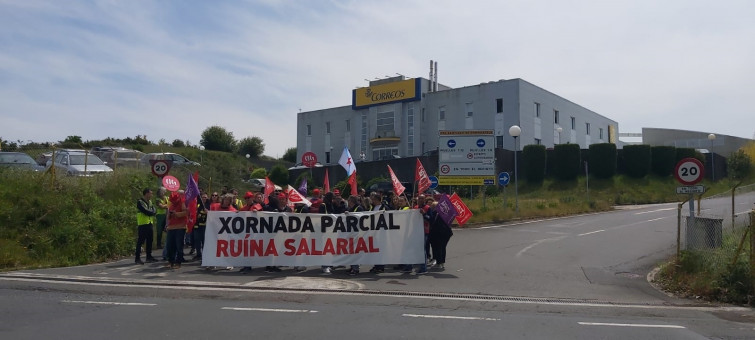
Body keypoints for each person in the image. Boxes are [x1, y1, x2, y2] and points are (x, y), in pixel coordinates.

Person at [427, 201, 453, 270]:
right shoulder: (444, 213)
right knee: (442, 248)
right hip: (445, 232)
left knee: (439, 247)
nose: (432, 207)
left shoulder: (436, 213)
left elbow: (431, 220)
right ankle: (441, 263)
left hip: (441, 233)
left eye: (433, 206)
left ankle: (439, 263)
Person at [135, 188, 158, 265]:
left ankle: (149, 256)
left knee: (150, 240)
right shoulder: (140, 202)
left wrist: (152, 212)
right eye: (151, 193)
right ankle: (137, 258)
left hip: (149, 223)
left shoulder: (150, 202)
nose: (151, 195)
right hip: (143, 224)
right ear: (146, 194)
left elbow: (154, 209)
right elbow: (145, 211)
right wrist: (152, 212)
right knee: (140, 241)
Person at [165, 192, 188, 269]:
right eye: (172, 200)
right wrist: (170, 215)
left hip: (180, 227)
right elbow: (168, 216)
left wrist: (177, 214)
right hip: (171, 227)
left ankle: (178, 262)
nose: (173, 202)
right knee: (170, 245)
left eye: (175, 200)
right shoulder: (170, 205)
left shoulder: (182, 203)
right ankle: (170, 261)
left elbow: (186, 213)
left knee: (179, 245)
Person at [368, 192, 388, 274]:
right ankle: (376, 265)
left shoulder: (384, 207)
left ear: (378, 200)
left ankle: (381, 266)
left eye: (374, 200)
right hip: (374, 231)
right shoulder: (372, 207)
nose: (372, 201)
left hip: (382, 232)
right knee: (375, 249)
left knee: (381, 250)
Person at [346, 195, 364, 275]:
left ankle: (355, 269)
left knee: (355, 251)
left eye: (349, 201)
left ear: (351, 201)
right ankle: (352, 266)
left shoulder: (359, 208)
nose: (348, 202)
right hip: (352, 233)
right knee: (351, 251)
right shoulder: (351, 209)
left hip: (356, 233)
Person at [192, 192, 210, 262]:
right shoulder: (198, 204)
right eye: (203, 197)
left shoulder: (209, 205)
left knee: (204, 241)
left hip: (205, 226)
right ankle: (198, 254)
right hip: (197, 225)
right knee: (197, 240)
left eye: (205, 197)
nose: (204, 198)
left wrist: (208, 212)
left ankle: (205, 255)